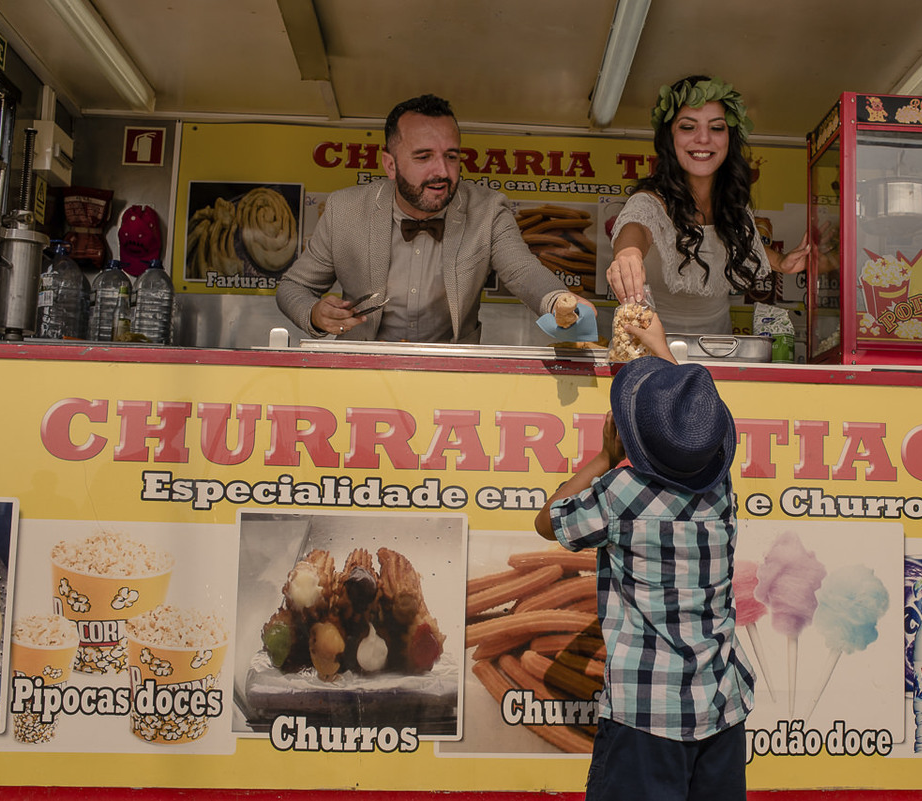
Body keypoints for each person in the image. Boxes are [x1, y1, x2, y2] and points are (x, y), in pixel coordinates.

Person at [534, 314, 754, 801]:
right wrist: (662, 349)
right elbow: (694, 428)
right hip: (721, 708)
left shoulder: (619, 494)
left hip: (645, 715)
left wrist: (602, 458)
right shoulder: (721, 491)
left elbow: (548, 521)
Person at [276, 94, 578, 343]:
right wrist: (315, 313)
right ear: (390, 165)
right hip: (363, 372)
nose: (443, 172)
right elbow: (292, 287)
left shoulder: (488, 210)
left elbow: (523, 271)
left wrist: (559, 302)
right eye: (423, 157)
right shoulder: (344, 210)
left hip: (453, 377)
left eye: (451, 156)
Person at [606, 75, 810, 334]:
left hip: (717, 349)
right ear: (669, 138)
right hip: (650, 350)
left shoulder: (733, 204)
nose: (703, 139)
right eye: (688, 127)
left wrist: (782, 262)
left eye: (716, 127)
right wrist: (627, 255)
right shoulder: (650, 201)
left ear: (729, 138)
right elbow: (636, 228)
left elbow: (733, 243)